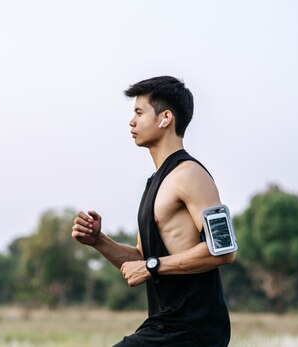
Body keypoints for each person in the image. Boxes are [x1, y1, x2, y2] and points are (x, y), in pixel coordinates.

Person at [71, 76, 236, 346]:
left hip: (193, 328)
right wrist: (99, 241)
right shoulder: (156, 182)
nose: (131, 122)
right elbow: (141, 258)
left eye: (139, 112)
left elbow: (225, 249)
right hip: (164, 323)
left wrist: (152, 266)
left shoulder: (191, 175)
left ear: (165, 118)